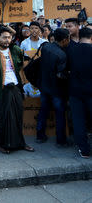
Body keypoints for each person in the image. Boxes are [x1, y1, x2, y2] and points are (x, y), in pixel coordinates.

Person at [0, 26, 34, 154]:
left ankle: (21, 143)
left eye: (9, 37)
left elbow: (20, 62)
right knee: (2, 116)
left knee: (18, 115)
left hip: (15, 86)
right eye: (4, 37)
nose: (7, 40)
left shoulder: (15, 49)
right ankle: (2, 144)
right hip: (0, 88)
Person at [36, 28, 70, 146]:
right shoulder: (62, 55)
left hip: (44, 86)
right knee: (60, 114)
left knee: (43, 111)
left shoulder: (46, 47)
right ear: (65, 39)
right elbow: (60, 74)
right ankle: (61, 140)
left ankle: (40, 135)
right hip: (56, 89)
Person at [66, 27, 92, 158]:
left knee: (78, 120)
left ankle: (84, 149)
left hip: (75, 91)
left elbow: (67, 69)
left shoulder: (71, 50)